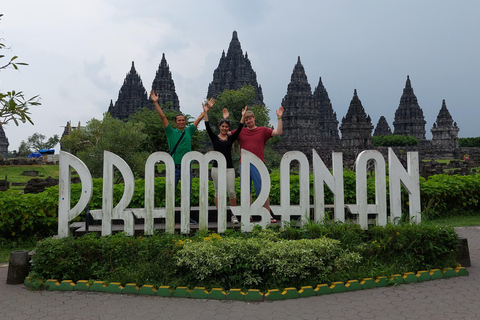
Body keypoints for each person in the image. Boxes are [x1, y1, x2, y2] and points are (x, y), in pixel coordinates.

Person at [150, 89, 213, 223]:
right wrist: (155, 102)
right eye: (179, 120)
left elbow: (199, 119)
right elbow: (162, 117)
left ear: (185, 122)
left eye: (183, 120)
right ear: (175, 122)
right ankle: (168, 217)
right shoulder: (170, 132)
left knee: (187, 194)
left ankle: (187, 217)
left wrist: (207, 108)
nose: (181, 122)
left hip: (186, 168)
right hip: (173, 168)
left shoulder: (189, 131)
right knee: (170, 193)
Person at [229, 106, 284, 223]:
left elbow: (278, 132)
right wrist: (227, 119)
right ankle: (247, 214)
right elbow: (226, 133)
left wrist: (279, 118)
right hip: (243, 164)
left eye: (250, 119)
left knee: (262, 190)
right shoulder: (241, 131)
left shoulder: (263, 130)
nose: (248, 121)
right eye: (246, 119)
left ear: (254, 119)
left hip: (258, 164)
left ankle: (268, 214)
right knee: (245, 190)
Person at [203, 103, 247, 224]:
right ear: (219, 127)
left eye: (226, 127)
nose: (224, 128)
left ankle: (234, 215)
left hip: (229, 168)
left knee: (231, 192)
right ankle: (221, 213)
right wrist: (205, 113)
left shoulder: (231, 138)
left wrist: (243, 116)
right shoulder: (214, 138)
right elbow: (207, 126)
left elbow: (239, 128)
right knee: (218, 191)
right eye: (222, 126)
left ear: (228, 128)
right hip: (216, 168)